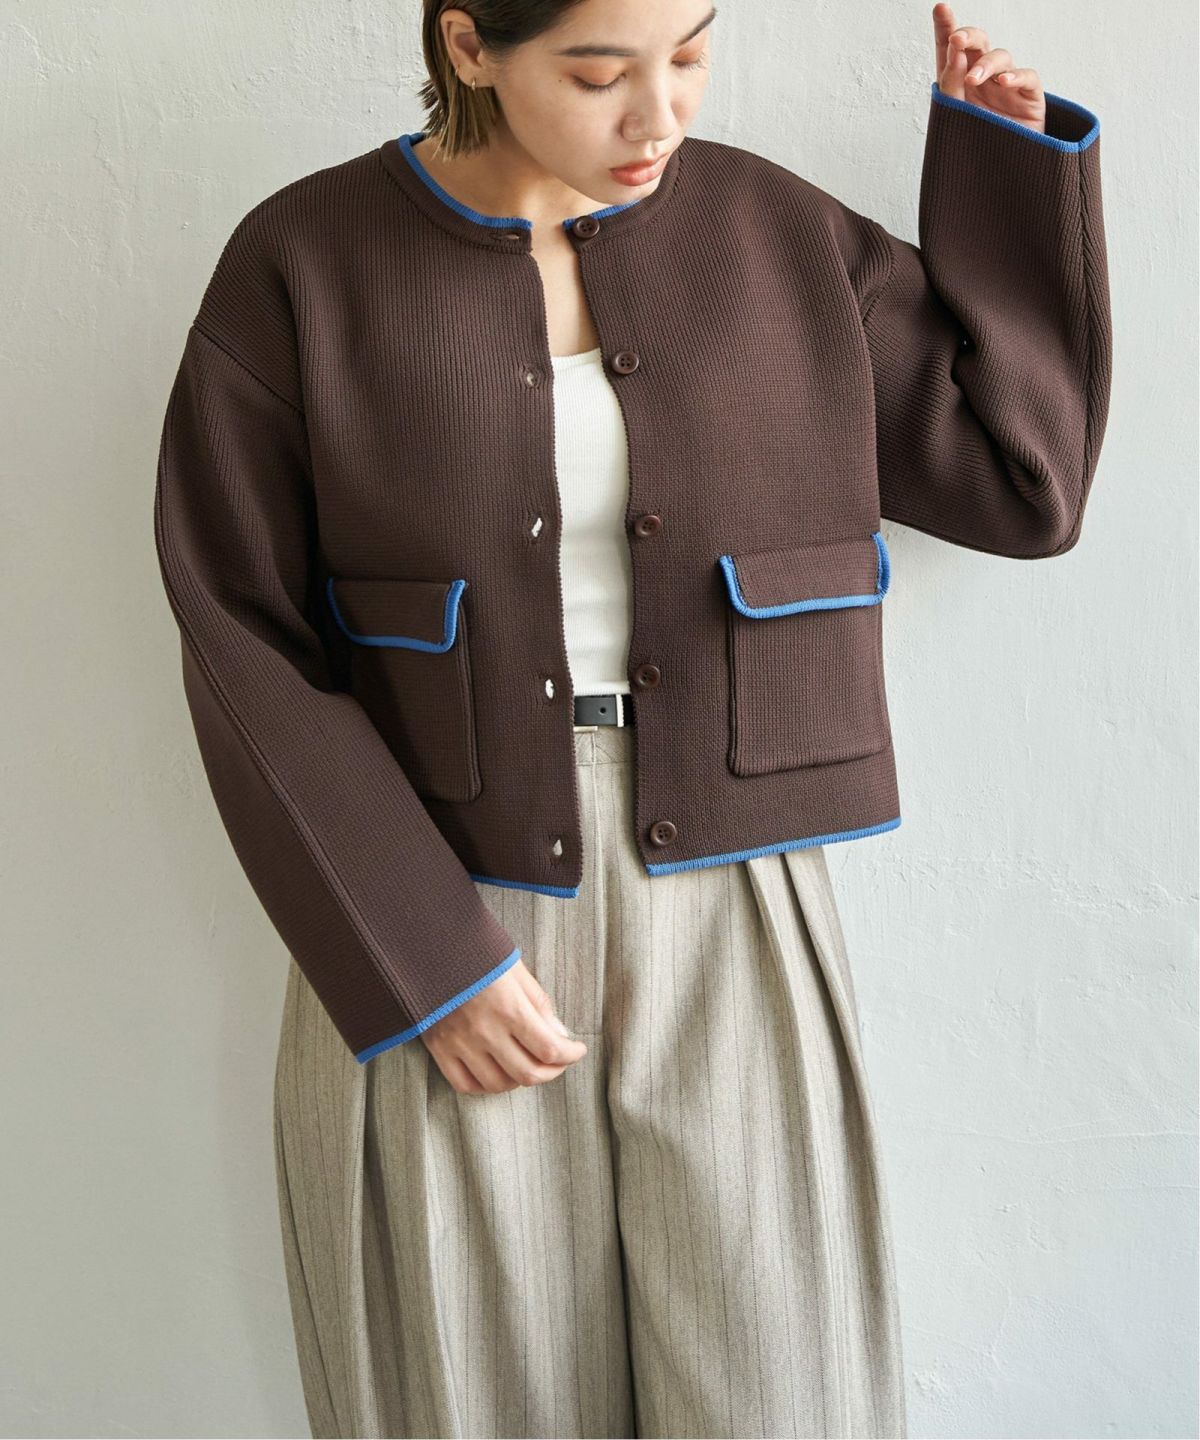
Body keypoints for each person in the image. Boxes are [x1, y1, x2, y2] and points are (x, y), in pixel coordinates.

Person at [153, 0, 1112, 1435]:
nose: (658, 114)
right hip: (444, 900)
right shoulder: (306, 262)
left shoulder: (777, 239)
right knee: (472, 1402)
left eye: (692, 54)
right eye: (599, 72)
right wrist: (417, 955)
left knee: (783, 1395)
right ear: (469, 46)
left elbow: (1023, 484)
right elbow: (237, 625)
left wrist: (999, 171)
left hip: (735, 893)